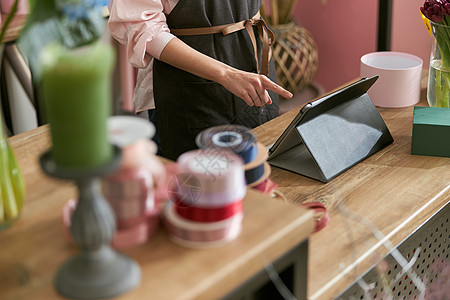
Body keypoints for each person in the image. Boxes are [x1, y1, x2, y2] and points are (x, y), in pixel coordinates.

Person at [108, 0, 293, 160]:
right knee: (197, 190)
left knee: (261, 171)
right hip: (188, 92)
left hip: (254, 63)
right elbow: (144, 27)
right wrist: (226, 74)